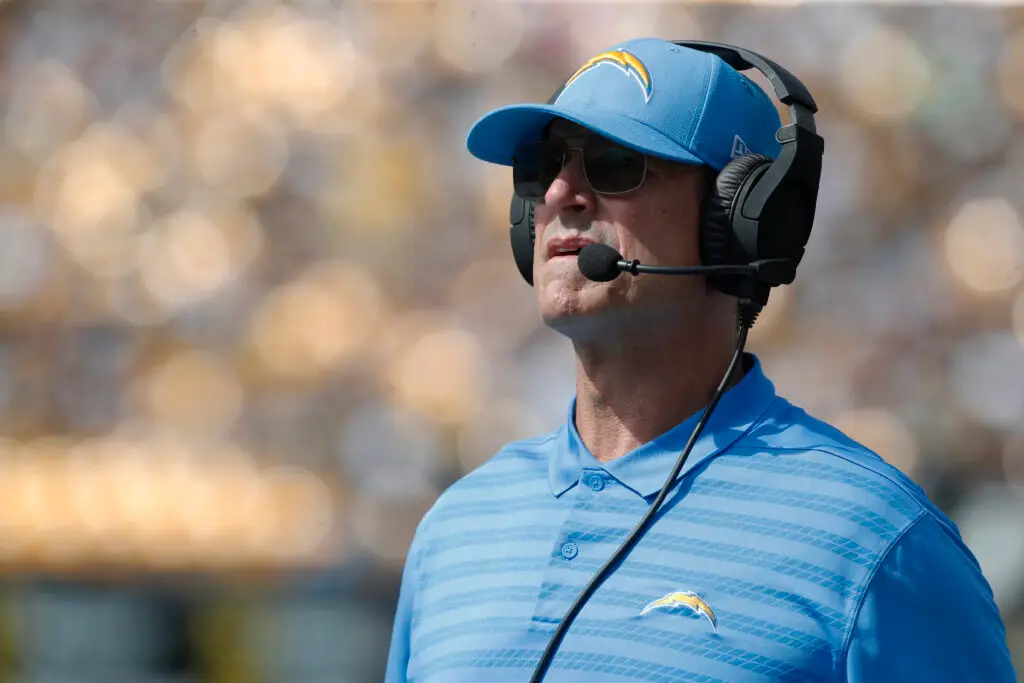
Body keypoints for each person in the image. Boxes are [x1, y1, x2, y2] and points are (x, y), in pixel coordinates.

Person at [384, 37, 1017, 682]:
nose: (560, 193)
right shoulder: (455, 529)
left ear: (741, 217)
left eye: (614, 164)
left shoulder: (875, 541)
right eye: (541, 165)